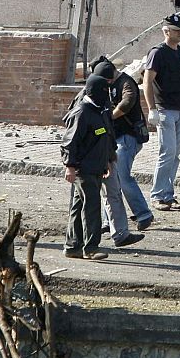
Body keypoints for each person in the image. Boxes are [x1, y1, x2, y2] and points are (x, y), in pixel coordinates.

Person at [143, 14, 180, 211]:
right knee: (167, 152)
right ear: (166, 31)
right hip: (165, 109)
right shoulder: (157, 53)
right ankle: (158, 194)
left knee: (175, 155)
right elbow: (147, 82)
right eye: (176, 30)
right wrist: (152, 109)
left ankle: (168, 193)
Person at [92, 59, 154, 232]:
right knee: (110, 180)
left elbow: (127, 103)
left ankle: (143, 214)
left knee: (121, 177)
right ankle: (108, 220)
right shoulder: (106, 83)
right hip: (113, 138)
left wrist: (110, 117)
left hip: (127, 138)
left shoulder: (127, 83)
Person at [61, 74, 115, 260]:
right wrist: (70, 166)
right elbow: (69, 143)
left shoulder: (99, 110)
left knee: (78, 205)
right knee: (91, 205)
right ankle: (91, 247)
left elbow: (104, 137)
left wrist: (107, 159)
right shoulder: (82, 112)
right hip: (84, 169)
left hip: (96, 166)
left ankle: (72, 246)